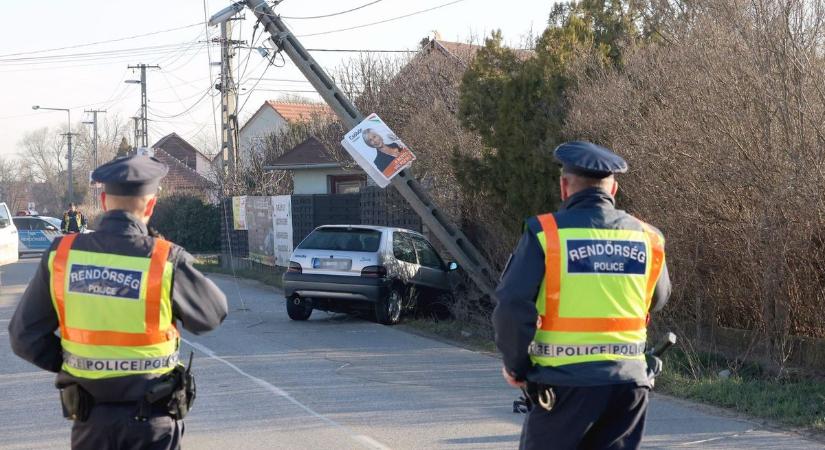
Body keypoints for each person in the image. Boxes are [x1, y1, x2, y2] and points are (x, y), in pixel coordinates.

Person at [8, 155, 229, 450]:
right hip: (153, 423)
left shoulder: (62, 255)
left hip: (91, 422)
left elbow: (24, 336)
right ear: (151, 205)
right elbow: (213, 313)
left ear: (102, 201)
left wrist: (74, 363)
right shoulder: (164, 258)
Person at [492, 141, 671, 450]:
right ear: (613, 189)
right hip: (629, 384)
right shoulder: (649, 237)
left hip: (564, 385)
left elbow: (512, 305)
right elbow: (659, 297)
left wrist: (517, 366)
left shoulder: (545, 233)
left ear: (564, 186)